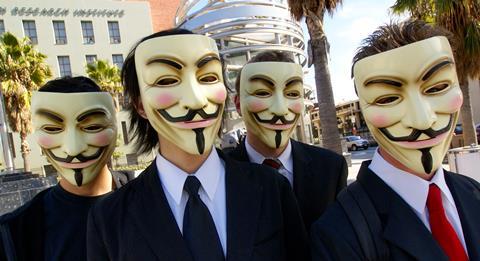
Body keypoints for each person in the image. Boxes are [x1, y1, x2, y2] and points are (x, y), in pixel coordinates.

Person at [86, 28, 309, 261]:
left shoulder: (272, 188)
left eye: (208, 78)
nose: (196, 100)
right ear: (140, 105)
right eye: (167, 81)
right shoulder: (109, 218)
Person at [311, 20, 480, 260]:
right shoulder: (338, 236)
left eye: (437, 88)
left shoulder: (473, 192)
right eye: (388, 99)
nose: (422, 121)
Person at [0, 76, 131, 260]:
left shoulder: (154, 199)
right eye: (53, 129)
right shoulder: (16, 233)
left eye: (92, 127)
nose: (73, 148)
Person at [227, 50, 348, 230]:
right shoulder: (221, 172)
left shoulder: (331, 168)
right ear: (238, 104)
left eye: (291, 94)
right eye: (262, 93)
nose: (280, 110)